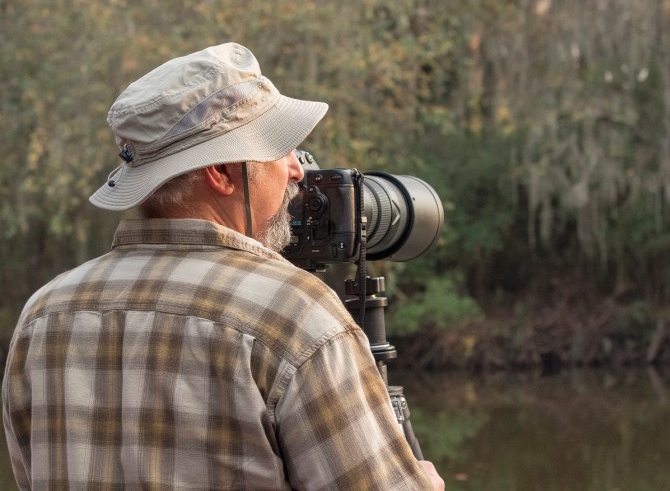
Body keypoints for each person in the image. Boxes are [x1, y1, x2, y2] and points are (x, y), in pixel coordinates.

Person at [2, 42, 445, 490]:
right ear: (224, 173)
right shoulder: (294, 315)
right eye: (281, 147)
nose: (297, 170)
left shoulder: (43, 315)